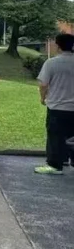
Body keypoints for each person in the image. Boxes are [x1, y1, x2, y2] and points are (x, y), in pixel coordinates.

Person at [34, 33, 74, 175]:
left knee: (55, 136)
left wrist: (42, 98)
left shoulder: (51, 63)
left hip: (57, 106)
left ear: (57, 46)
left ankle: (55, 164)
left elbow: (43, 84)